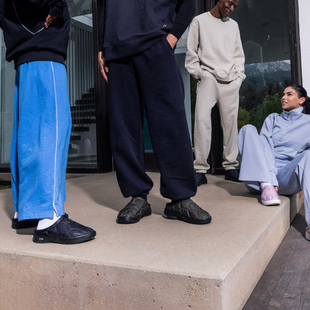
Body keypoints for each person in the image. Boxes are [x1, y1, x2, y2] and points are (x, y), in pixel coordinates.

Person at [98, 0, 212, 225]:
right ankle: (137, 196)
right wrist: (102, 47)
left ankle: (180, 197)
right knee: (124, 126)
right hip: (117, 50)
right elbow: (106, 8)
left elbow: (187, 4)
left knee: (171, 121)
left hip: (156, 43)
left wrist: (171, 38)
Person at [0, 0, 96, 244]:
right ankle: (49, 217)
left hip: (27, 49)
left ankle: (28, 211)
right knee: (52, 131)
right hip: (42, 44)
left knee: (29, 135)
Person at [185, 0, 245, 186]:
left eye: (235, 5)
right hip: (208, 77)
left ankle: (230, 167)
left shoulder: (233, 25)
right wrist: (200, 74)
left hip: (230, 81)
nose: (231, 8)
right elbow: (191, 53)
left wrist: (238, 78)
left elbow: (238, 55)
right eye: (229, 3)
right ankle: (200, 169)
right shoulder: (199, 21)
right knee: (202, 122)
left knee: (230, 124)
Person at [238, 85, 310, 240]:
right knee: (248, 129)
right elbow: (265, 147)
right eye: (283, 94)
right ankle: (267, 185)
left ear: (301, 100)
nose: (283, 97)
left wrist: (306, 176)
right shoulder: (272, 119)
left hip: (286, 177)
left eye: (289, 94)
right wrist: (270, 178)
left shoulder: (308, 122)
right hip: (260, 177)